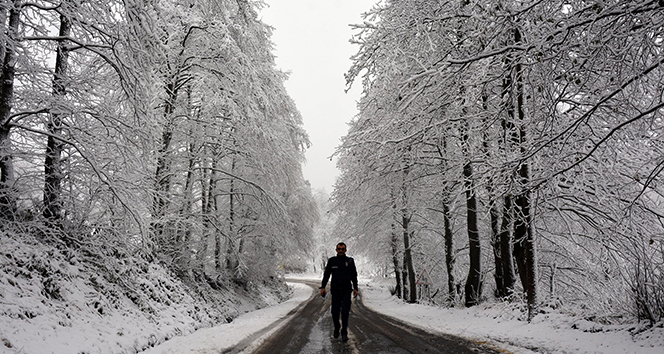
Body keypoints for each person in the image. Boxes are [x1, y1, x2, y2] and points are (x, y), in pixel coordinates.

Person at [320, 242, 359, 342]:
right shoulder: (332, 261)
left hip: (346, 290)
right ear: (336, 250)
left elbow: (354, 275)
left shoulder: (349, 261)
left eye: (342, 249)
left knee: (345, 311)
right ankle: (337, 327)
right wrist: (323, 287)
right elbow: (327, 274)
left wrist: (355, 288)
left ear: (345, 250)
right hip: (336, 290)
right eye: (339, 249)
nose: (341, 251)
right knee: (335, 312)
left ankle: (344, 331)